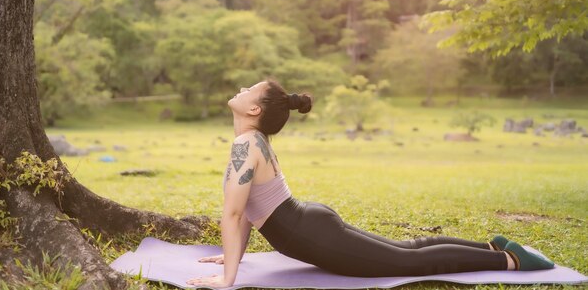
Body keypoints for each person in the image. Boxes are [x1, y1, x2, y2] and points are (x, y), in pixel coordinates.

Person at [186, 79, 555, 288]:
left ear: (254, 110)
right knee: (410, 248)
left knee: (411, 262)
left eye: (249, 88)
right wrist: (235, 255)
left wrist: (227, 278)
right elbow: (248, 211)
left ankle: (507, 259)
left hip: (311, 233)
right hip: (311, 222)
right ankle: (493, 244)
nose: (241, 87)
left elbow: (234, 214)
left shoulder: (244, 144)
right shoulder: (256, 142)